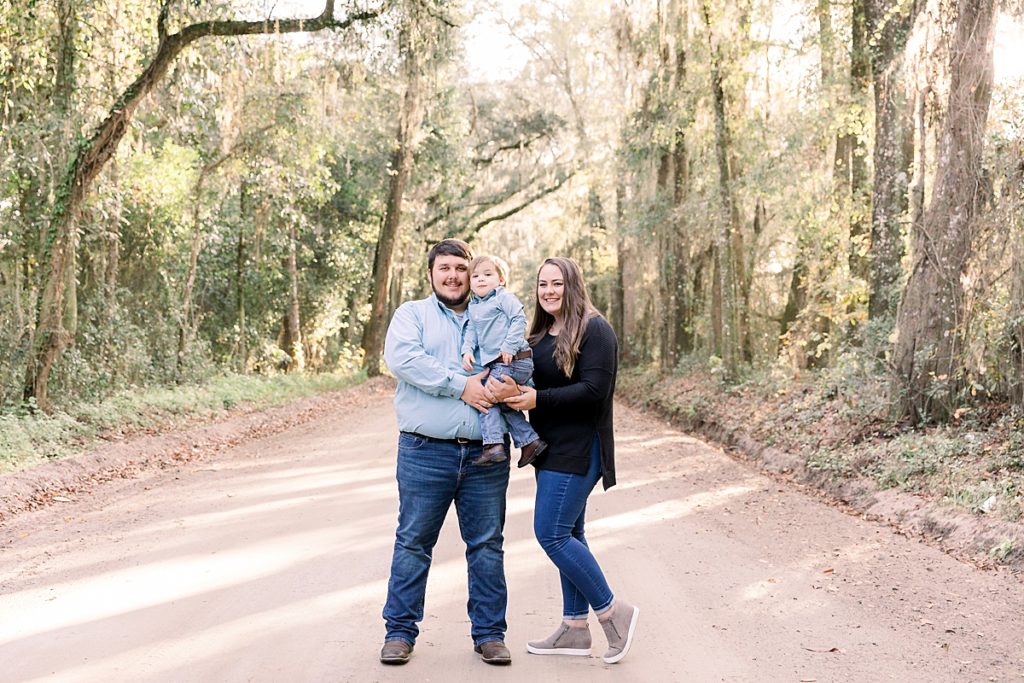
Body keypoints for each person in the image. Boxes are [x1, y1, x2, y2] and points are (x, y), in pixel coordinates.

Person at [495, 256, 640, 664]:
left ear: (572, 284)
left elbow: (595, 390)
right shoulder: (541, 333)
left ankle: (613, 613)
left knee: (551, 534)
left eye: (557, 283)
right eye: (543, 284)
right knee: (571, 536)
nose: (549, 291)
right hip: (549, 447)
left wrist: (539, 398)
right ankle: (575, 628)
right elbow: (528, 377)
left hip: (581, 448)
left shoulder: (595, 329)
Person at [378, 239, 513, 667]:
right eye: (445, 269)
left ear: (472, 274)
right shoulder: (412, 315)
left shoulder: (492, 315)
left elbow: (519, 356)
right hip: (424, 452)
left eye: (461, 268)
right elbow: (404, 359)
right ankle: (399, 632)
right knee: (413, 542)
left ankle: (490, 634)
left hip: (485, 455)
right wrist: (462, 384)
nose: (453, 276)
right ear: (432, 274)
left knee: (487, 545)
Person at [460, 254, 548, 467]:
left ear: (501, 280)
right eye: (476, 276)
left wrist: (509, 345)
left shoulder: (503, 297)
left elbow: (519, 319)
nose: (481, 279)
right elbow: (471, 330)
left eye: (488, 274)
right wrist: (467, 350)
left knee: (486, 397)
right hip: (500, 364)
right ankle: (530, 442)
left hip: (516, 359)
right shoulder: (473, 306)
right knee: (505, 404)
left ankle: (493, 446)